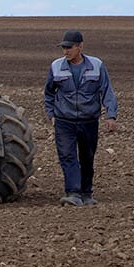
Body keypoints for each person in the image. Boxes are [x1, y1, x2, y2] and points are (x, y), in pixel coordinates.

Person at [43, 30, 119, 206]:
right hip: (64, 121)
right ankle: (73, 193)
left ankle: (86, 192)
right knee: (67, 156)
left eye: (69, 47)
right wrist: (51, 114)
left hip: (88, 120)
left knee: (87, 157)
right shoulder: (56, 66)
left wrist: (111, 115)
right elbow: (48, 93)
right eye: (63, 48)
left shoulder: (97, 65)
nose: (65, 51)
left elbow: (107, 90)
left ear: (80, 47)